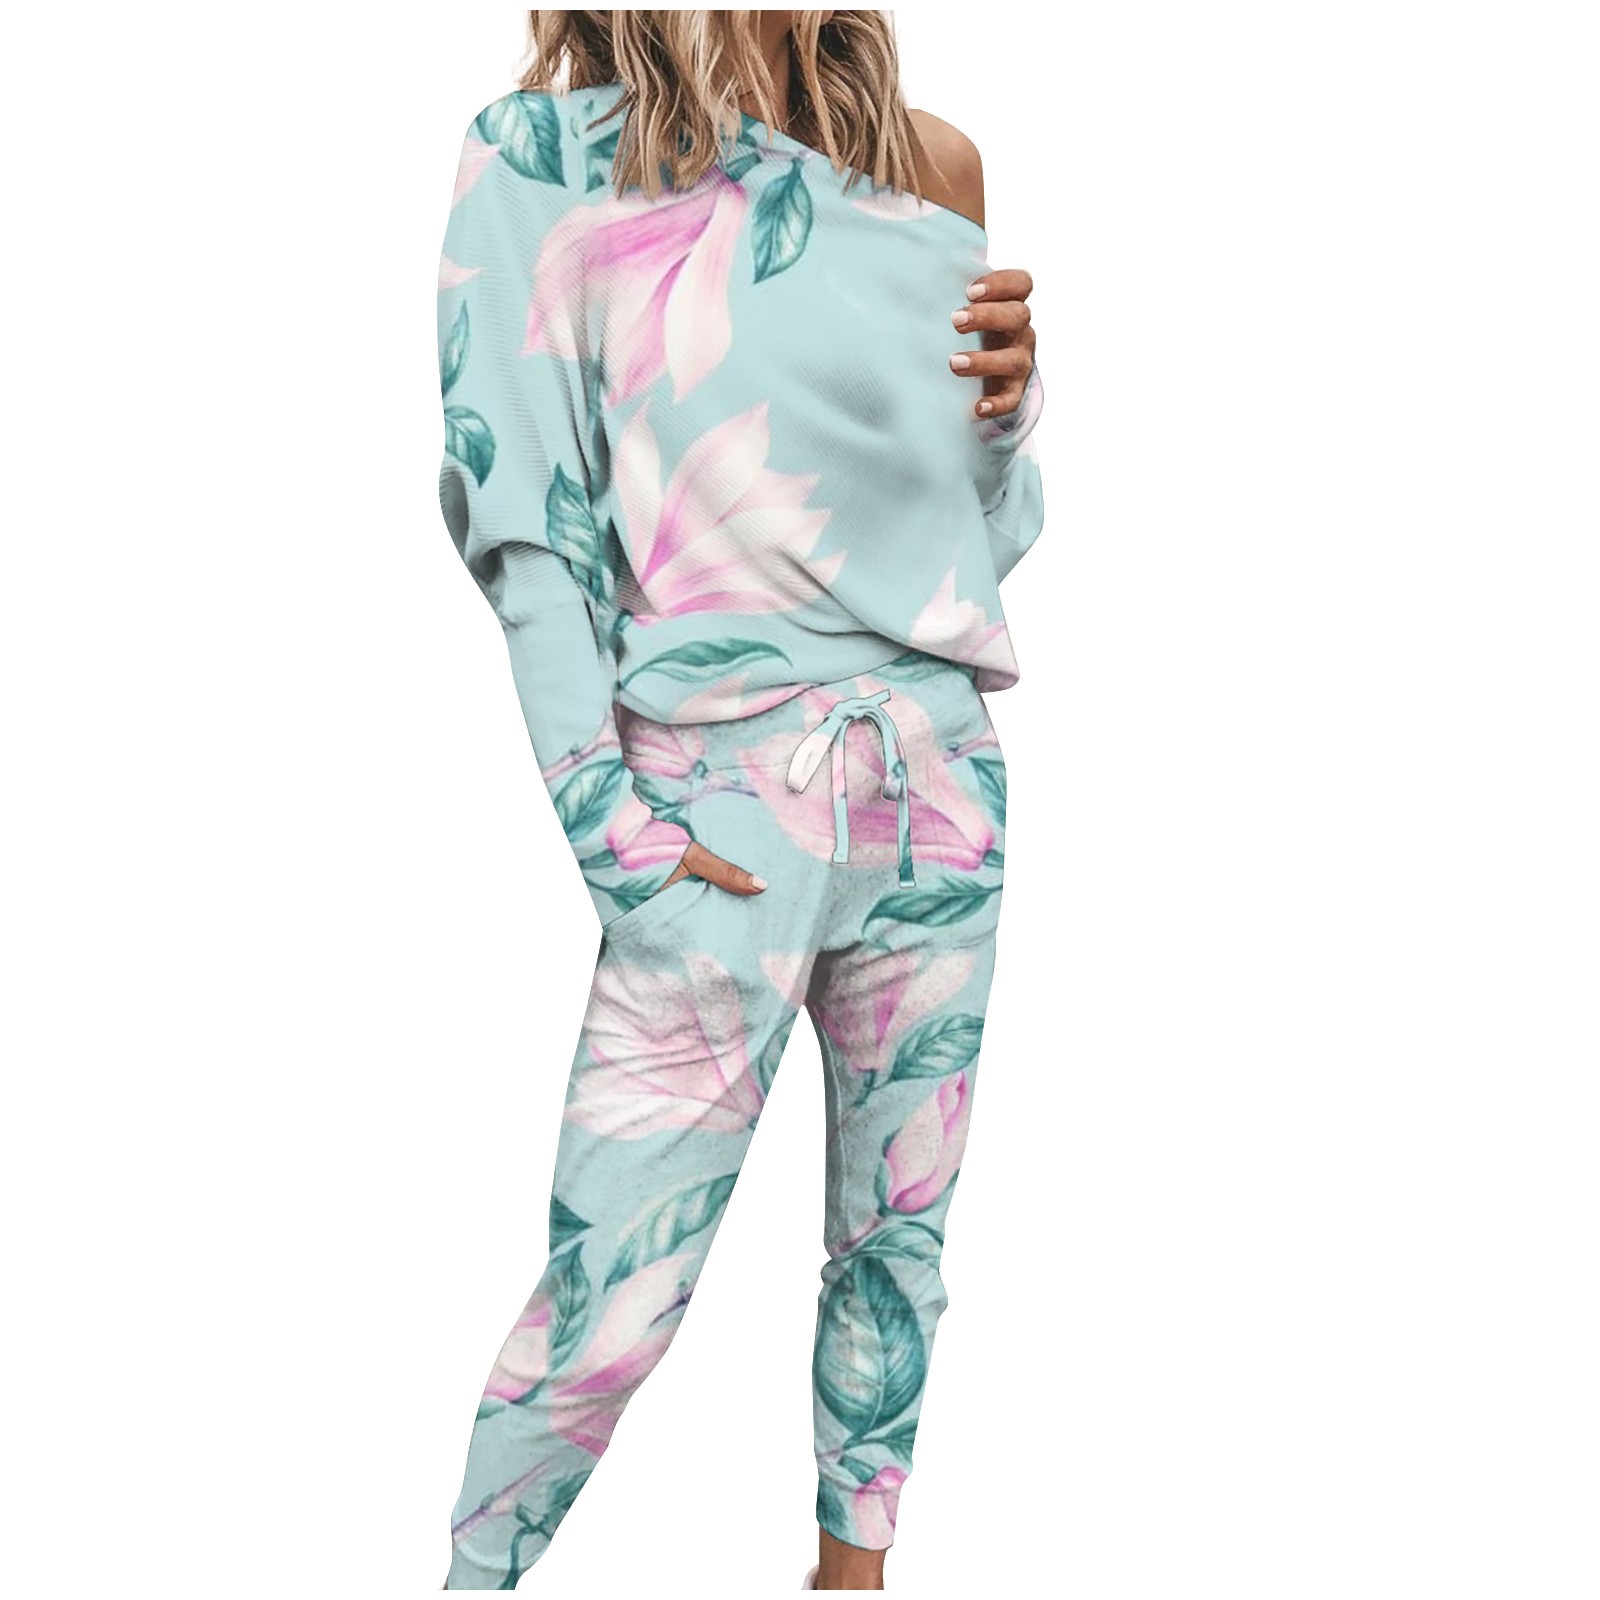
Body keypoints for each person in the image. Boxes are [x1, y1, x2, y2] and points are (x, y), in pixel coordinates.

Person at [434, 9, 1043, 1589]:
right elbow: (524, 520)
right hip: (715, 798)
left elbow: (977, 536)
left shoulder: (934, 163)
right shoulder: (540, 159)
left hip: (933, 778)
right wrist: (614, 834)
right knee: (610, 1303)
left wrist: (1006, 418)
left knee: (897, 1253)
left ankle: (854, 1578)